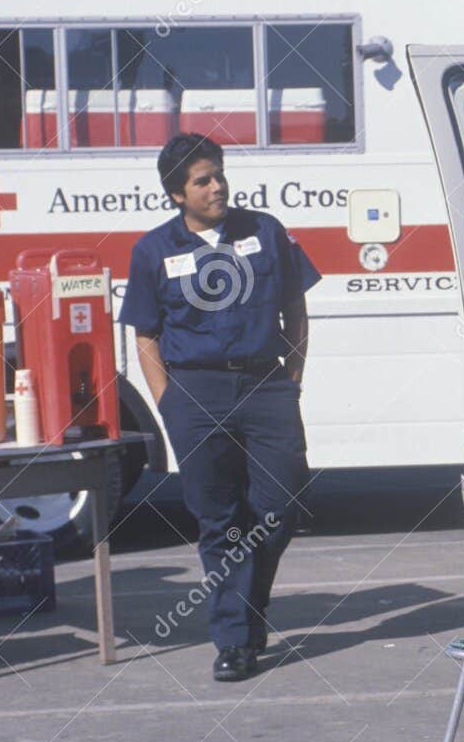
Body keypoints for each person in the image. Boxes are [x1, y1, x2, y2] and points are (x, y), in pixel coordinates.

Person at [119, 133, 320, 681]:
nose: (217, 186)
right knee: (222, 523)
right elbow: (146, 337)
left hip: (266, 388)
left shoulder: (266, 231)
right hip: (194, 395)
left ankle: (248, 609)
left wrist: (292, 382)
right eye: (202, 180)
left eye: (219, 174)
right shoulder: (153, 250)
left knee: (281, 509)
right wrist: (169, 405)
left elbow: (296, 312)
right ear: (177, 194)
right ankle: (234, 640)